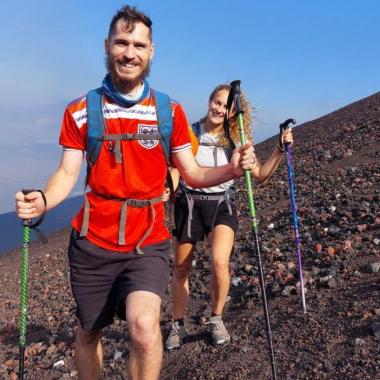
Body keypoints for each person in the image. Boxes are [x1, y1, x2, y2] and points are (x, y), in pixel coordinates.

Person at [14, 6, 256, 380]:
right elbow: (67, 173)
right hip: (93, 241)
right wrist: (44, 200)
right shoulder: (81, 111)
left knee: (144, 328)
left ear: (151, 51)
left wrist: (231, 168)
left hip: (148, 240)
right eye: (122, 42)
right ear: (107, 45)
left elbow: (191, 172)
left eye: (138, 44)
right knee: (89, 331)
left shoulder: (168, 113)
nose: (129, 52)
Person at [165, 84, 293, 349]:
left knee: (219, 263)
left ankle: (216, 319)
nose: (219, 109)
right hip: (188, 204)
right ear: (209, 100)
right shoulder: (189, 132)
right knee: (181, 268)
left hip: (222, 204)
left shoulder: (236, 140)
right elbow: (175, 168)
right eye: (217, 102)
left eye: (225, 106)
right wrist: (168, 187)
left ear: (232, 113)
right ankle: (177, 324)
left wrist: (279, 149)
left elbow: (260, 176)